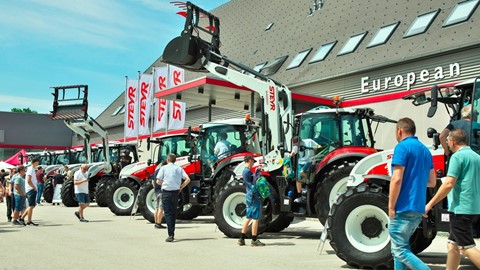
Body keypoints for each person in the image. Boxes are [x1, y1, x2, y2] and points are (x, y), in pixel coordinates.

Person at [425, 129, 480, 269]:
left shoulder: (457, 157)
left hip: (461, 208)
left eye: (448, 141)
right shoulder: (476, 157)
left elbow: (449, 183)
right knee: (452, 245)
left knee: (465, 247)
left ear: (453, 141)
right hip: (474, 207)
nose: (447, 144)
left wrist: (430, 203)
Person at [388, 118, 436, 270]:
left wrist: (391, 207)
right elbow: (432, 182)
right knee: (401, 248)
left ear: (399, 131)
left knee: (399, 250)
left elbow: (396, 179)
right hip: (418, 208)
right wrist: (416, 182)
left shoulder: (402, 147)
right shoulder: (425, 150)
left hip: (403, 206)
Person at [157, 154, 190, 242]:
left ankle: (170, 234)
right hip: (176, 192)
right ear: (175, 160)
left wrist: (164, 183)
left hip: (166, 192)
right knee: (173, 212)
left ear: (168, 160)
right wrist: (181, 187)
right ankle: (172, 232)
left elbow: (158, 181)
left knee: (167, 213)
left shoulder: (163, 168)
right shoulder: (179, 169)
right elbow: (188, 179)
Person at [237, 155, 265, 247]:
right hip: (253, 196)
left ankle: (241, 239)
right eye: (253, 161)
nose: (253, 162)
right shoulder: (247, 171)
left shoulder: (245, 171)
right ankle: (254, 239)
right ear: (249, 160)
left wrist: (256, 172)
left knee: (248, 217)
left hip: (248, 196)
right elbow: (253, 183)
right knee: (255, 218)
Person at [290, 138, 321, 203]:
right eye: (295, 144)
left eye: (297, 144)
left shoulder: (309, 141)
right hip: (300, 162)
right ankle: (299, 197)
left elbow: (318, 146)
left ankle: (307, 184)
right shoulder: (296, 146)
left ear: (300, 141)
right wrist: (290, 155)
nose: (296, 145)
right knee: (298, 180)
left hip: (309, 161)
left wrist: (316, 148)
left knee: (302, 172)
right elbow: (293, 153)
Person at [21, 158, 40, 226]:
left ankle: (23, 218)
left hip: (31, 189)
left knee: (32, 205)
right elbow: (29, 180)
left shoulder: (32, 169)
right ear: (35, 162)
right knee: (31, 205)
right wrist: (34, 187)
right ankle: (28, 220)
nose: (38, 164)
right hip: (31, 189)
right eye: (38, 162)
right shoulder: (31, 169)